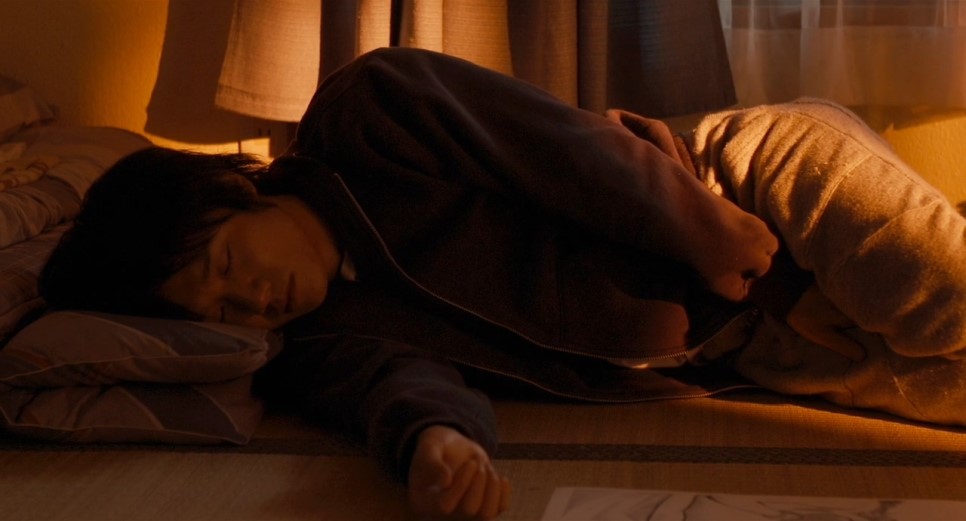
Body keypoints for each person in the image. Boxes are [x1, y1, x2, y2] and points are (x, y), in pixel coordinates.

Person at [39, 48, 966, 521]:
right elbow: (392, 385)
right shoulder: (315, 340)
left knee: (943, 306)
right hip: (737, 348)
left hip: (749, 191)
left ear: (228, 193)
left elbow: (562, 146)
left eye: (227, 267)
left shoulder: (367, 114)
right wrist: (436, 440)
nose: (252, 302)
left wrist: (730, 245)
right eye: (221, 312)